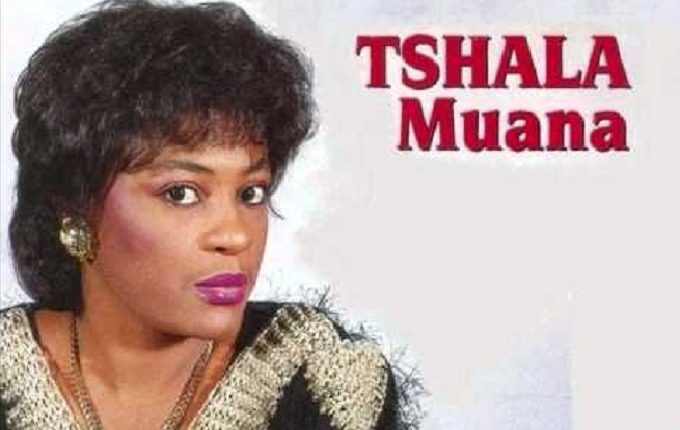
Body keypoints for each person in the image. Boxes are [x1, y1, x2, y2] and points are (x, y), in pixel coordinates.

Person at [0, 1, 420, 429]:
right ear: (75, 206)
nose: (235, 236)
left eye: (250, 193)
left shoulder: (324, 383)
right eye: (181, 193)